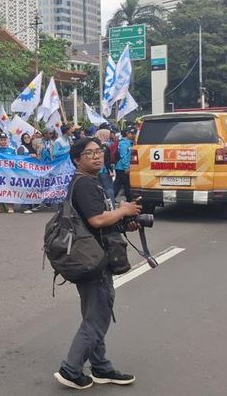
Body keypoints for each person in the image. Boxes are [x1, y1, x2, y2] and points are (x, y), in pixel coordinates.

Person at [55, 137, 140, 390]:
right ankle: (70, 370)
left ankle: (101, 367)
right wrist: (124, 210)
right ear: (76, 160)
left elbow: (102, 219)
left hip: (91, 256)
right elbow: (97, 220)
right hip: (93, 260)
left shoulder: (91, 182)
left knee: (96, 314)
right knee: (97, 318)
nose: (96, 155)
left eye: (99, 151)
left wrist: (124, 221)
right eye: (89, 153)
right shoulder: (84, 184)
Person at [0, 134, 16, 214]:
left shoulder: (11, 149)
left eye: (4, 139)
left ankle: (10, 206)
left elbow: (15, 160)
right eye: (1, 140)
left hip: (9, 172)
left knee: (9, 189)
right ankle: (0, 207)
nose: (3, 141)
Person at [95, 127, 116, 200]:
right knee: (109, 187)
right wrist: (110, 170)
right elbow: (107, 160)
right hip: (105, 170)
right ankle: (111, 204)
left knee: (100, 188)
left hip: (96, 170)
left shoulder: (95, 146)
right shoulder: (106, 146)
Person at [113, 128, 135, 200]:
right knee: (125, 185)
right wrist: (126, 167)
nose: (133, 135)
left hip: (123, 167)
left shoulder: (129, 142)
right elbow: (124, 156)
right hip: (121, 168)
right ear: (127, 133)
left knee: (119, 184)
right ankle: (129, 200)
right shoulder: (123, 143)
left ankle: (111, 199)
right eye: (132, 133)